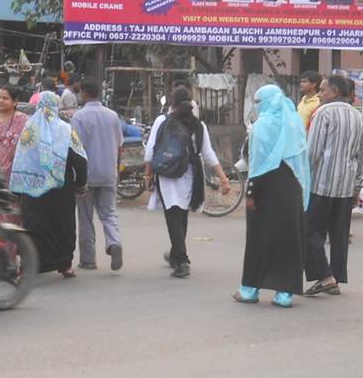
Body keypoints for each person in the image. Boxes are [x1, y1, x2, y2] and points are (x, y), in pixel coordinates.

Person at [234, 85, 310, 308]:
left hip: (265, 190)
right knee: (289, 240)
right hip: (292, 189)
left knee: (259, 240)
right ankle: (284, 294)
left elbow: (257, 165)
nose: (256, 106)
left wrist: (250, 194)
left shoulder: (261, 126)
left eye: (258, 102)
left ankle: (249, 290)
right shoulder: (295, 123)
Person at [145, 87, 230, 278]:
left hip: (167, 173)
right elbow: (209, 155)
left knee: (173, 215)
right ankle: (176, 254)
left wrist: (147, 176)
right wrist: (224, 179)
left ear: (172, 102)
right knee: (181, 214)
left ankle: (182, 260)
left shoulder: (162, 121)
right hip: (191, 174)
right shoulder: (199, 125)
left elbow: (150, 152)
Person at [10, 91, 88, 277]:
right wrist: (80, 184)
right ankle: (64, 264)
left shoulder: (28, 130)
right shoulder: (66, 129)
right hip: (61, 188)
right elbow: (80, 159)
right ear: (57, 106)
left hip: (32, 189)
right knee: (63, 226)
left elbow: (20, 160)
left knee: (34, 228)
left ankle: (29, 266)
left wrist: (17, 190)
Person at [304, 75, 363, 296]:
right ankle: (336, 277)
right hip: (346, 185)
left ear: (334, 92)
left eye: (322, 90)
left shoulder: (323, 113)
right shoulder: (358, 117)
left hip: (322, 184)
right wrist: (358, 186)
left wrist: (304, 177)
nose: (319, 94)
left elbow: (313, 151)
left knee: (310, 231)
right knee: (339, 234)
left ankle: (325, 276)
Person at [70, 78, 124, 271]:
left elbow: (75, 149)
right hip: (109, 172)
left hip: (87, 175)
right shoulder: (112, 116)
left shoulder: (79, 117)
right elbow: (120, 146)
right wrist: (116, 170)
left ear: (84, 93)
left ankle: (88, 259)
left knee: (85, 218)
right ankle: (114, 242)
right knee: (109, 214)